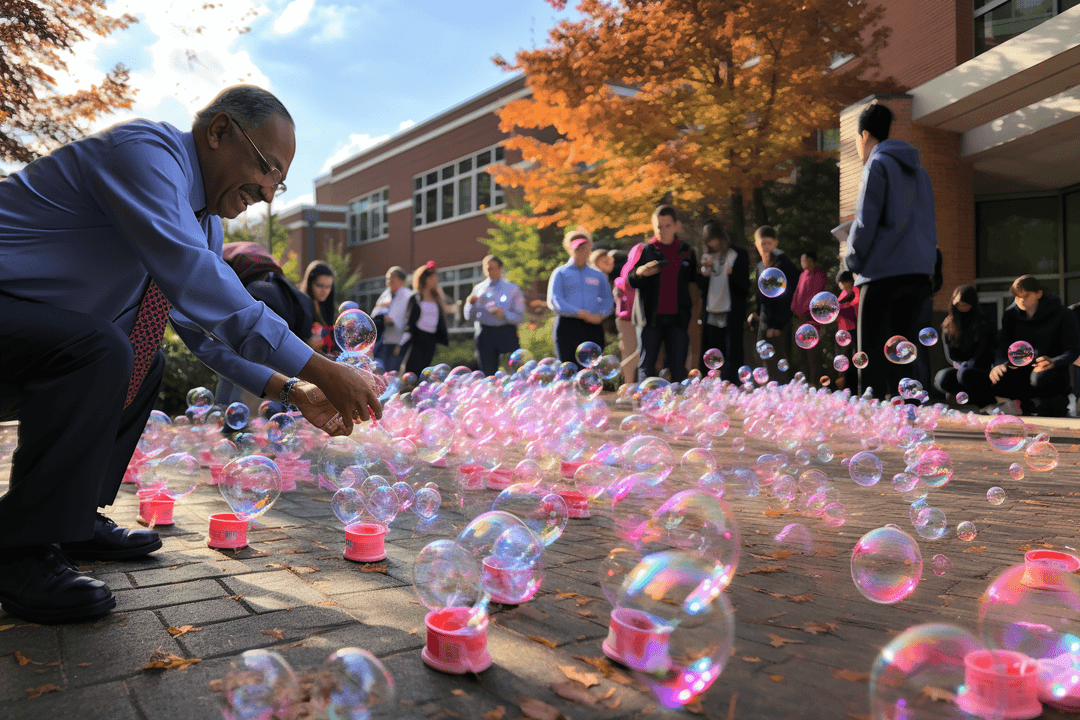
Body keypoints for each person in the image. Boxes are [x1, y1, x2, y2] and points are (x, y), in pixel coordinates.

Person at [0, 85, 380, 625]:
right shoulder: (144, 155)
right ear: (220, 131)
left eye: (281, 180)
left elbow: (204, 332)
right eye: (266, 167)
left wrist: (294, 389)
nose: (270, 193)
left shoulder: (205, 220)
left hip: (24, 340)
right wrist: (320, 366)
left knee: (138, 354)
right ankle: (20, 549)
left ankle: (74, 521)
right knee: (102, 348)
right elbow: (202, 284)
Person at [842, 103, 937, 400]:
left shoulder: (877, 163)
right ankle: (907, 420)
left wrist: (852, 260)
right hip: (919, 275)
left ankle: (871, 422)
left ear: (865, 134)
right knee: (903, 354)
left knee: (870, 354)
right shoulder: (920, 171)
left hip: (882, 274)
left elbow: (866, 219)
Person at [217, 241, 314, 410]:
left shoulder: (224, 259)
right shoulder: (282, 285)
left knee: (235, 377)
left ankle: (229, 417)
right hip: (284, 309)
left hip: (254, 312)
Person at [989, 275, 1080, 417]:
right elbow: (1003, 346)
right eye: (1017, 297)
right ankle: (1022, 404)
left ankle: (1052, 403)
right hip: (1021, 371)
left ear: (1039, 294)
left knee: (1041, 380)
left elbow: (1073, 350)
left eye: (1025, 296)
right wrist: (999, 364)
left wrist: (1054, 361)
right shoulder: (1011, 315)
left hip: (1051, 373)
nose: (1020, 301)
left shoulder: (1062, 314)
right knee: (997, 376)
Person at [626, 206, 699, 382]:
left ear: (676, 226)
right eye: (659, 226)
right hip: (651, 318)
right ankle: (644, 405)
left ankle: (678, 405)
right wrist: (641, 271)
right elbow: (630, 280)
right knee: (647, 364)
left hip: (678, 317)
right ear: (653, 227)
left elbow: (696, 281)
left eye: (667, 226)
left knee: (678, 366)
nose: (663, 231)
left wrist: (707, 270)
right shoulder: (646, 250)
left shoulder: (687, 251)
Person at [547, 228, 614, 364]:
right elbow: (556, 300)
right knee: (569, 367)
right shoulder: (560, 273)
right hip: (568, 325)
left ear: (590, 247)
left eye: (585, 247)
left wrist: (600, 315)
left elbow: (607, 300)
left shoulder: (598, 275)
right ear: (569, 249)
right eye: (578, 248)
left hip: (593, 325)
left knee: (592, 369)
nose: (582, 251)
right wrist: (580, 313)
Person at [696, 219, 749, 383]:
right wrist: (704, 273)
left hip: (731, 310)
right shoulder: (707, 257)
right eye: (710, 241)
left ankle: (731, 383)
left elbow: (745, 285)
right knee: (712, 351)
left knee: (732, 350)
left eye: (716, 240)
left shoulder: (737, 254)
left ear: (723, 238)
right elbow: (702, 288)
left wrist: (732, 273)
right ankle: (711, 384)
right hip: (712, 310)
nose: (714, 244)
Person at [932, 285, 997, 410]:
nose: (961, 307)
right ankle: (972, 396)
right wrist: (962, 364)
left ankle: (988, 403)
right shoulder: (949, 324)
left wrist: (969, 364)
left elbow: (985, 350)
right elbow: (951, 356)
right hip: (961, 367)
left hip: (981, 368)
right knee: (942, 378)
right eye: (958, 304)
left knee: (964, 374)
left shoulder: (983, 322)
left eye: (965, 304)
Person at [748, 225, 797, 382]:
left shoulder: (783, 265)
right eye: (762, 244)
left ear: (775, 243)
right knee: (764, 358)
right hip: (764, 319)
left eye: (769, 243)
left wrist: (776, 325)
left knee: (777, 362)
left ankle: (780, 396)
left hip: (778, 323)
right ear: (756, 244)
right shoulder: (761, 266)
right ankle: (770, 396)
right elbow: (763, 295)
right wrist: (756, 313)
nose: (765, 247)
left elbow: (785, 298)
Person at [463, 255, 524, 376]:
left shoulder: (512, 289)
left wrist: (504, 314)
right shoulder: (478, 289)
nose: (491, 271)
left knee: (514, 371)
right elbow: (468, 317)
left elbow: (520, 316)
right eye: (488, 268)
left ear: (500, 268)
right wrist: (470, 304)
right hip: (485, 333)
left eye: (494, 268)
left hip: (507, 332)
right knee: (488, 372)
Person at [401, 262, 451, 376]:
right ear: (426, 279)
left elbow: (443, 314)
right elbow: (409, 320)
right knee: (413, 369)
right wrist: (402, 342)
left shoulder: (437, 297)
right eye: (434, 278)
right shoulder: (416, 297)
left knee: (426, 370)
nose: (436, 280)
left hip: (431, 339)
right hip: (418, 338)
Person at [790, 250, 828, 383]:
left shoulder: (820, 275)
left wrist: (804, 311)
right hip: (800, 318)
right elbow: (797, 293)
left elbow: (816, 296)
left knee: (813, 353)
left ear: (811, 261)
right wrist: (794, 309)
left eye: (804, 260)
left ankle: (815, 382)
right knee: (801, 353)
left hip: (812, 318)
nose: (802, 263)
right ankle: (805, 381)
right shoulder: (802, 275)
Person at [370, 266, 413, 374]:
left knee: (393, 372)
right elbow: (375, 312)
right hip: (383, 341)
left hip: (399, 341)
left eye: (392, 278)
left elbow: (412, 321)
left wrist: (402, 344)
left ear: (402, 280)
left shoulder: (409, 295)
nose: (389, 281)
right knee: (380, 371)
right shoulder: (385, 294)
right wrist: (382, 318)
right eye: (387, 278)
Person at [613, 243, 644, 385]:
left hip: (630, 318)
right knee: (635, 353)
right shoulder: (633, 271)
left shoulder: (626, 270)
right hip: (631, 318)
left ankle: (628, 387)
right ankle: (627, 386)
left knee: (633, 353)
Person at [300, 260, 337, 356]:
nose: (324, 291)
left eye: (328, 286)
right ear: (309, 283)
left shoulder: (328, 307)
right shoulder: (300, 306)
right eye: (319, 285)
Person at [836, 270, 860, 391]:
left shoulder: (855, 290)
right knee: (843, 358)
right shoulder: (843, 293)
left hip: (852, 329)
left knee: (851, 358)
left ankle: (852, 386)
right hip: (843, 330)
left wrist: (838, 308)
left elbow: (854, 306)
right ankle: (845, 385)